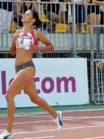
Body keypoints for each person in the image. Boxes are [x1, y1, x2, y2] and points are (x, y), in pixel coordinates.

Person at [0, 9, 63, 139]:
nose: (24, 15)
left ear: (33, 20)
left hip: (28, 67)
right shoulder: (17, 32)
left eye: (27, 14)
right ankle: (56, 115)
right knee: (34, 98)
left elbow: (51, 47)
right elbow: (12, 52)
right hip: (17, 67)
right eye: (24, 14)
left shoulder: (37, 34)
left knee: (9, 95)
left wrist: (37, 48)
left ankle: (9, 130)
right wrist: (13, 41)